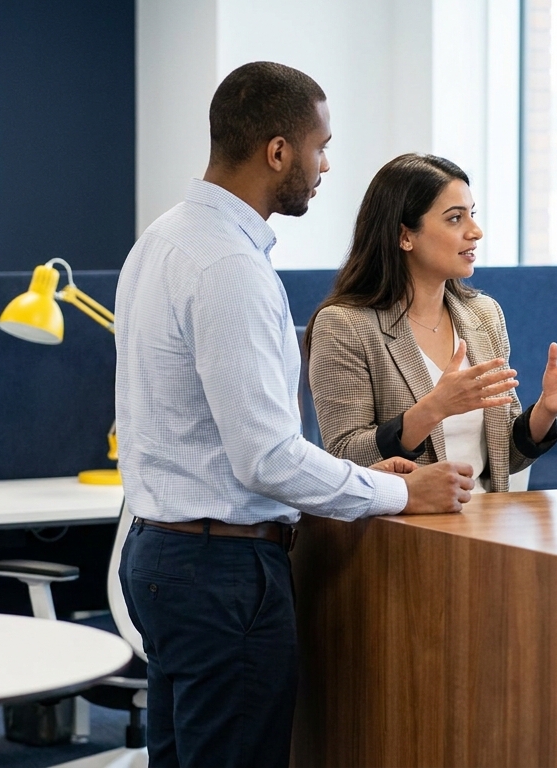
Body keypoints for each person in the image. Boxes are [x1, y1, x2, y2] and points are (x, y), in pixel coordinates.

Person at [114, 63, 475, 768]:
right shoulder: (229, 268)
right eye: (320, 146)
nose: (325, 165)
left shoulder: (160, 241)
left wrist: (356, 473)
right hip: (222, 569)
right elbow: (266, 458)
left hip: (164, 553)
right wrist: (402, 491)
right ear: (278, 151)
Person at [305, 153, 557, 490]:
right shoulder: (344, 325)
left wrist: (545, 411)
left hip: (485, 524)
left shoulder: (483, 315)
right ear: (405, 235)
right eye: (455, 218)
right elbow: (344, 456)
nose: (475, 231)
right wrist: (432, 410)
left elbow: (503, 458)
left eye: (472, 215)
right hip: (400, 529)